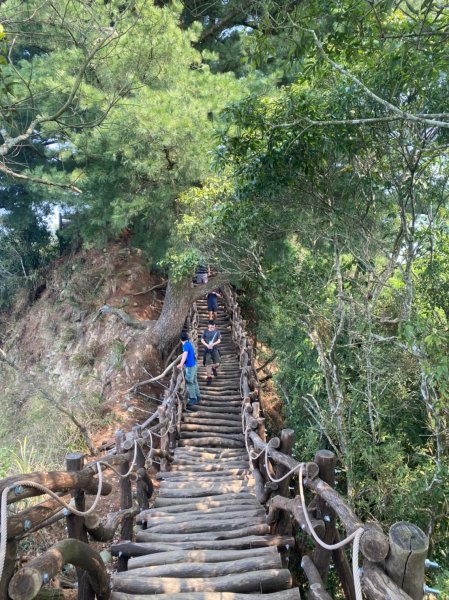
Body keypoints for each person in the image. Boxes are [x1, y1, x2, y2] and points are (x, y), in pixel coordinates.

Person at [177, 332, 200, 408]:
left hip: (190, 366)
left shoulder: (185, 346)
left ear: (181, 340)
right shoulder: (189, 343)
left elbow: (185, 355)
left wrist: (181, 364)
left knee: (189, 382)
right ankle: (198, 395)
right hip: (194, 365)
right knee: (194, 381)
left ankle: (193, 398)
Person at [201, 320, 221, 385]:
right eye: (211, 327)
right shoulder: (205, 332)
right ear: (208, 326)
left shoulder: (217, 332)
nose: (212, 328)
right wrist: (207, 345)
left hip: (214, 349)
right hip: (207, 350)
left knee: (218, 363)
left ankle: (214, 368)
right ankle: (209, 377)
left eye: (213, 327)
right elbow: (202, 339)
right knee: (208, 364)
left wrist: (213, 344)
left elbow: (219, 340)